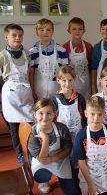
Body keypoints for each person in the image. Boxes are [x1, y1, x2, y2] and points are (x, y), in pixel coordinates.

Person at [28, 98, 80, 194]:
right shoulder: (33, 132)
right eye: (41, 113)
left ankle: (62, 179)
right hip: (42, 160)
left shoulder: (61, 128)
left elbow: (67, 149)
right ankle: (44, 181)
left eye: (48, 113)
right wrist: (45, 140)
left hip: (60, 158)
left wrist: (53, 158)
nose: (45, 117)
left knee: (73, 192)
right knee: (41, 175)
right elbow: (42, 158)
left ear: (54, 115)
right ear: (35, 115)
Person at [0, 23, 34, 164]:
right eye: (14, 35)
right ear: (6, 37)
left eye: (20, 35)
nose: (17, 38)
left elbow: (30, 73)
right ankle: (20, 153)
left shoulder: (26, 53)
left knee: (31, 124)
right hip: (11, 96)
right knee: (14, 127)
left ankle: (32, 151)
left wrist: (33, 91)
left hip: (26, 93)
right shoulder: (2, 56)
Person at [30, 18, 68, 99]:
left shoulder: (61, 50)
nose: (45, 32)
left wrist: (64, 89)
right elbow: (31, 73)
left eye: (48, 30)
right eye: (42, 30)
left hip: (58, 91)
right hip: (39, 92)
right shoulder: (33, 51)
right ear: (37, 32)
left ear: (52, 31)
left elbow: (65, 72)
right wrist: (32, 91)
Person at [63, 17, 93, 100]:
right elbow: (63, 69)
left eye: (80, 29)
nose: (77, 31)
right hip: (71, 85)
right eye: (74, 29)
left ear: (84, 31)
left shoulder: (88, 46)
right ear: (69, 30)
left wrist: (92, 84)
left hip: (86, 85)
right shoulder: (64, 47)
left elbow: (91, 67)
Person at [91, 18, 107, 94]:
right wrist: (94, 86)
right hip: (101, 82)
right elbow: (94, 68)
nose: (105, 31)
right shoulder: (97, 47)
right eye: (102, 29)